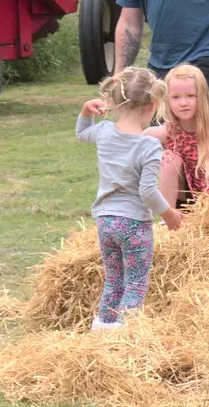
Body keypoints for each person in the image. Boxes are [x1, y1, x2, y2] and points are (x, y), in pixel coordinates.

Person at [76, 69, 183, 331]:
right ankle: (127, 338)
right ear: (153, 106)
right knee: (135, 284)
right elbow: (147, 191)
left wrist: (85, 112)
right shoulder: (148, 146)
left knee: (113, 282)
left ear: (114, 102)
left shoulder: (103, 131)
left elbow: (81, 134)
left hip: (106, 222)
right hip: (134, 225)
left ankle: (103, 329)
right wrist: (169, 213)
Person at [148, 63, 209, 207]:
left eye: (190, 96)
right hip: (183, 203)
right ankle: (168, 218)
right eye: (176, 97)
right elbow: (137, 138)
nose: (183, 103)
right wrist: (159, 153)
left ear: (202, 96)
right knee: (170, 161)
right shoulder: (168, 131)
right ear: (167, 100)